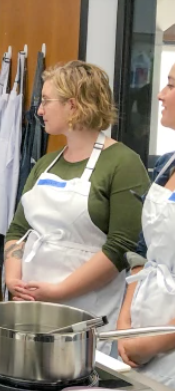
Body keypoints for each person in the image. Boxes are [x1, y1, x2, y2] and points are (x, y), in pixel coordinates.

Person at [4, 61, 150, 355]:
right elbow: (18, 230)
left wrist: (59, 292)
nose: (39, 110)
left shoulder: (124, 163)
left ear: (73, 105)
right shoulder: (46, 164)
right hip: (32, 309)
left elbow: (122, 247)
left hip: (86, 315)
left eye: (46, 101)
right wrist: (13, 279)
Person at [117, 62, 175, 387]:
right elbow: (142, 254)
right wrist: (126, 325)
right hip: (139, 331)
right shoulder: (164, 165)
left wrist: (152, 344)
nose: (159, 95)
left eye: (171, 85)